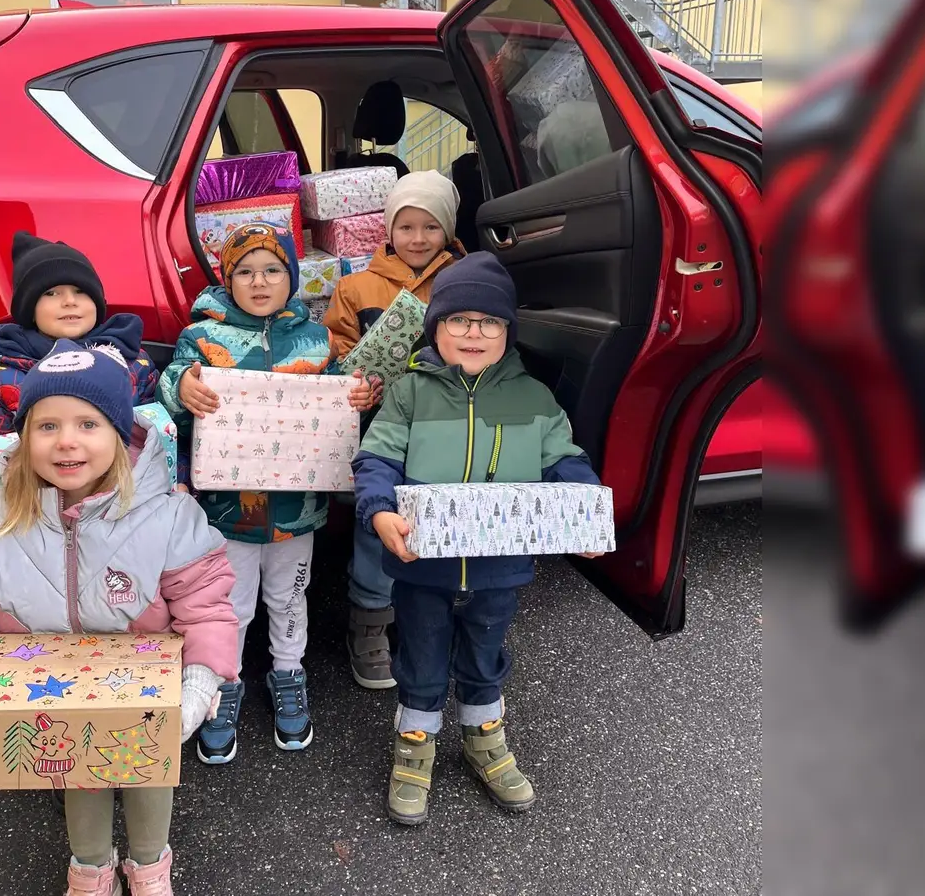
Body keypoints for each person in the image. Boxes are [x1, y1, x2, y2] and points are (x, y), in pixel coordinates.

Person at [0, 340, 237, 896]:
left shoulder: (166, 516)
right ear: (24, 437)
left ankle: (148, 866)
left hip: (143, 694)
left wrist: (202, 674)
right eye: (46, 426)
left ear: (120, 435)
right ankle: (91, 867)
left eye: (88, 424)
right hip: (51, 694)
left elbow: (206, 604)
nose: (67, 440)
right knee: (80, 774)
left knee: (146, 771)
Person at [351, 252, 605, 825]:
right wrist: (379, 512)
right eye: (457, 320)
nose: (473, 333)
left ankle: (484, 739)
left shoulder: (534, 398)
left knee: (486, 654)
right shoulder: (410, 393)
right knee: (419, 657)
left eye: (488, 321)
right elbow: (377, 459)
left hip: (499, 568)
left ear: (507, 331)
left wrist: (587, 511)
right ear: (435, 327)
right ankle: (415, 746)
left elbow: (565, 459)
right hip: (422, 566)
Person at [159, 223, 377, 763]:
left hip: (296, 510)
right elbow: (166, 402)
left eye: (273, 270)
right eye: (245, 272)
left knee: (289, 596)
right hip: (225, 510)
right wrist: (182, 388)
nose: (259, 282)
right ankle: (221, 683)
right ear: (226, 280)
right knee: (228, 606)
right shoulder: (201, 339)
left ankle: (288, 672)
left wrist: (360, 395)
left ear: (292, 277)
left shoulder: (317, 339)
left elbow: (345, 403)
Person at [323, 170, 465, 691]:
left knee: (438, 515)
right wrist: (355, 381)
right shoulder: (356, 286)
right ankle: (369, 623)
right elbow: (336, 351)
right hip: (380, 428)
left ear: (447, 230)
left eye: (431, 227)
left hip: (444, 426)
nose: (418, 238)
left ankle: (428, 620)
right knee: (375, 520)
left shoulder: (464, 279)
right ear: (389, 230)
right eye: (406, 226)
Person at [0, 231, 158, 530]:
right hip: (33, 521)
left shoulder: (133, 363)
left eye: (80, 291)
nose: (69, 302)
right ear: (28, 308)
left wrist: (178, 489)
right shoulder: (0, 374)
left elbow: (160, 438)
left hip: (121, 517)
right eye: (51, 293)